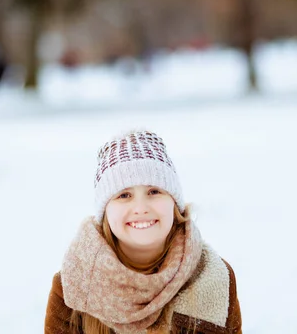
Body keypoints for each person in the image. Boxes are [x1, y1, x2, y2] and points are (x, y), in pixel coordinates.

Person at [45, 130, 242, 333]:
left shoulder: (212, 277)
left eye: (154, 191)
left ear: (174, 203)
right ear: (105, 211)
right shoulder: (75, 283)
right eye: (124, 195)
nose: (140, 207)